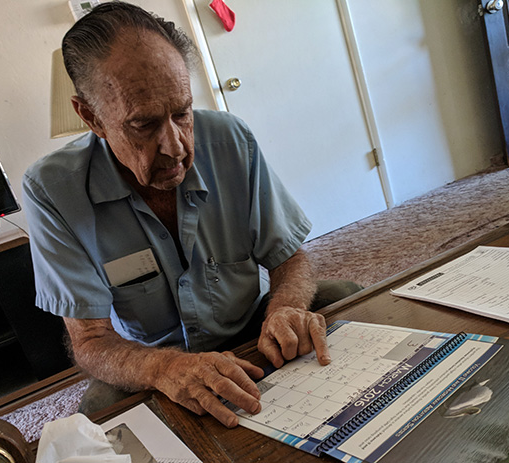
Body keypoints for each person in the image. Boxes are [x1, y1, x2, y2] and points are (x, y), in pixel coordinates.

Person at [22, 2, 359, 428]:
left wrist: (285, 308)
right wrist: (164, 369)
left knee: (343, 295)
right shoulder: (51, 190)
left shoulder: (232, 139)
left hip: (251, 320)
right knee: (101, 413)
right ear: (91, 117)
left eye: (182, 112)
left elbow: (289, 257)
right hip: (153, 355)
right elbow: (90, 340)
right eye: (144, 125)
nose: (177, 146)